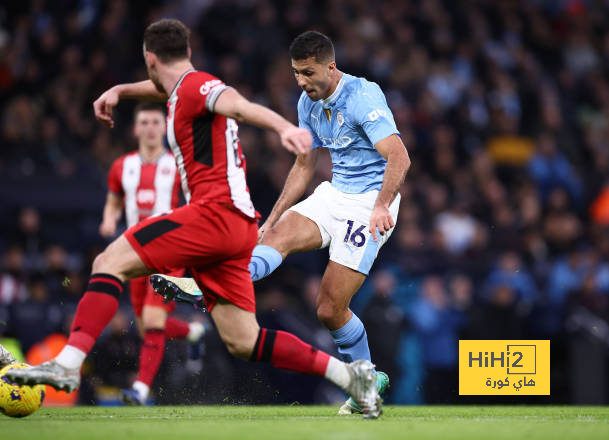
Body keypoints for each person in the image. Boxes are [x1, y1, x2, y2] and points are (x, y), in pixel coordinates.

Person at [7, 19, 381, 419]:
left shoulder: (196, 87)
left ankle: (68, 362)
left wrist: (283, 127)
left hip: (213, 215)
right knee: (244, 340)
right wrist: (120, 90)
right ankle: (350, 375)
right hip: (237, 228)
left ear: (149, 57)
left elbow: (235, 102)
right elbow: (166, 89)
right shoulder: (182, 88)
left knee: (107, 262)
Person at [151, 30, 410, 414]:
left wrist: (381, 205)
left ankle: (364, 381)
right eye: (296, 74)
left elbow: (399, 157)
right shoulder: (308, 102)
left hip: (369, 204)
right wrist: (271, 218)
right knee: (276, 236)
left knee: (328, 308)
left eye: (308, 73)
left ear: (331, 67)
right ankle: (206, 286)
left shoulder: (363, 96)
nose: (302, 82)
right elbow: (305, 163)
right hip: (334, 193)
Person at [99, 102, 205, 405]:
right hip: (134, 255)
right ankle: (192, 332)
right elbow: (114, 199)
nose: (149, 128)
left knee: (153, 320)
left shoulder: (177, 165)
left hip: (170, 251)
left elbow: (197, 199)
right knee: (147, 326)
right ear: (135, 129)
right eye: (143, 122)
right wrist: (109, 218)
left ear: (164, 127)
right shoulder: (122, 166)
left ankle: (140, 389)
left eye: (155, 122)